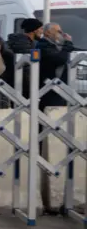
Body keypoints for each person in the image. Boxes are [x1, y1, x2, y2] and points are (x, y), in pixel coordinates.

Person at [36, 22, 76, 213]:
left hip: (59, 93)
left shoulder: (52, 46)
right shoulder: (43, 46)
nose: (62, 34)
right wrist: (68, 44)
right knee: (45, 134)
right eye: (58, 31)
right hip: (48, 95)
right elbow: (59, 60)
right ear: (49, 33)